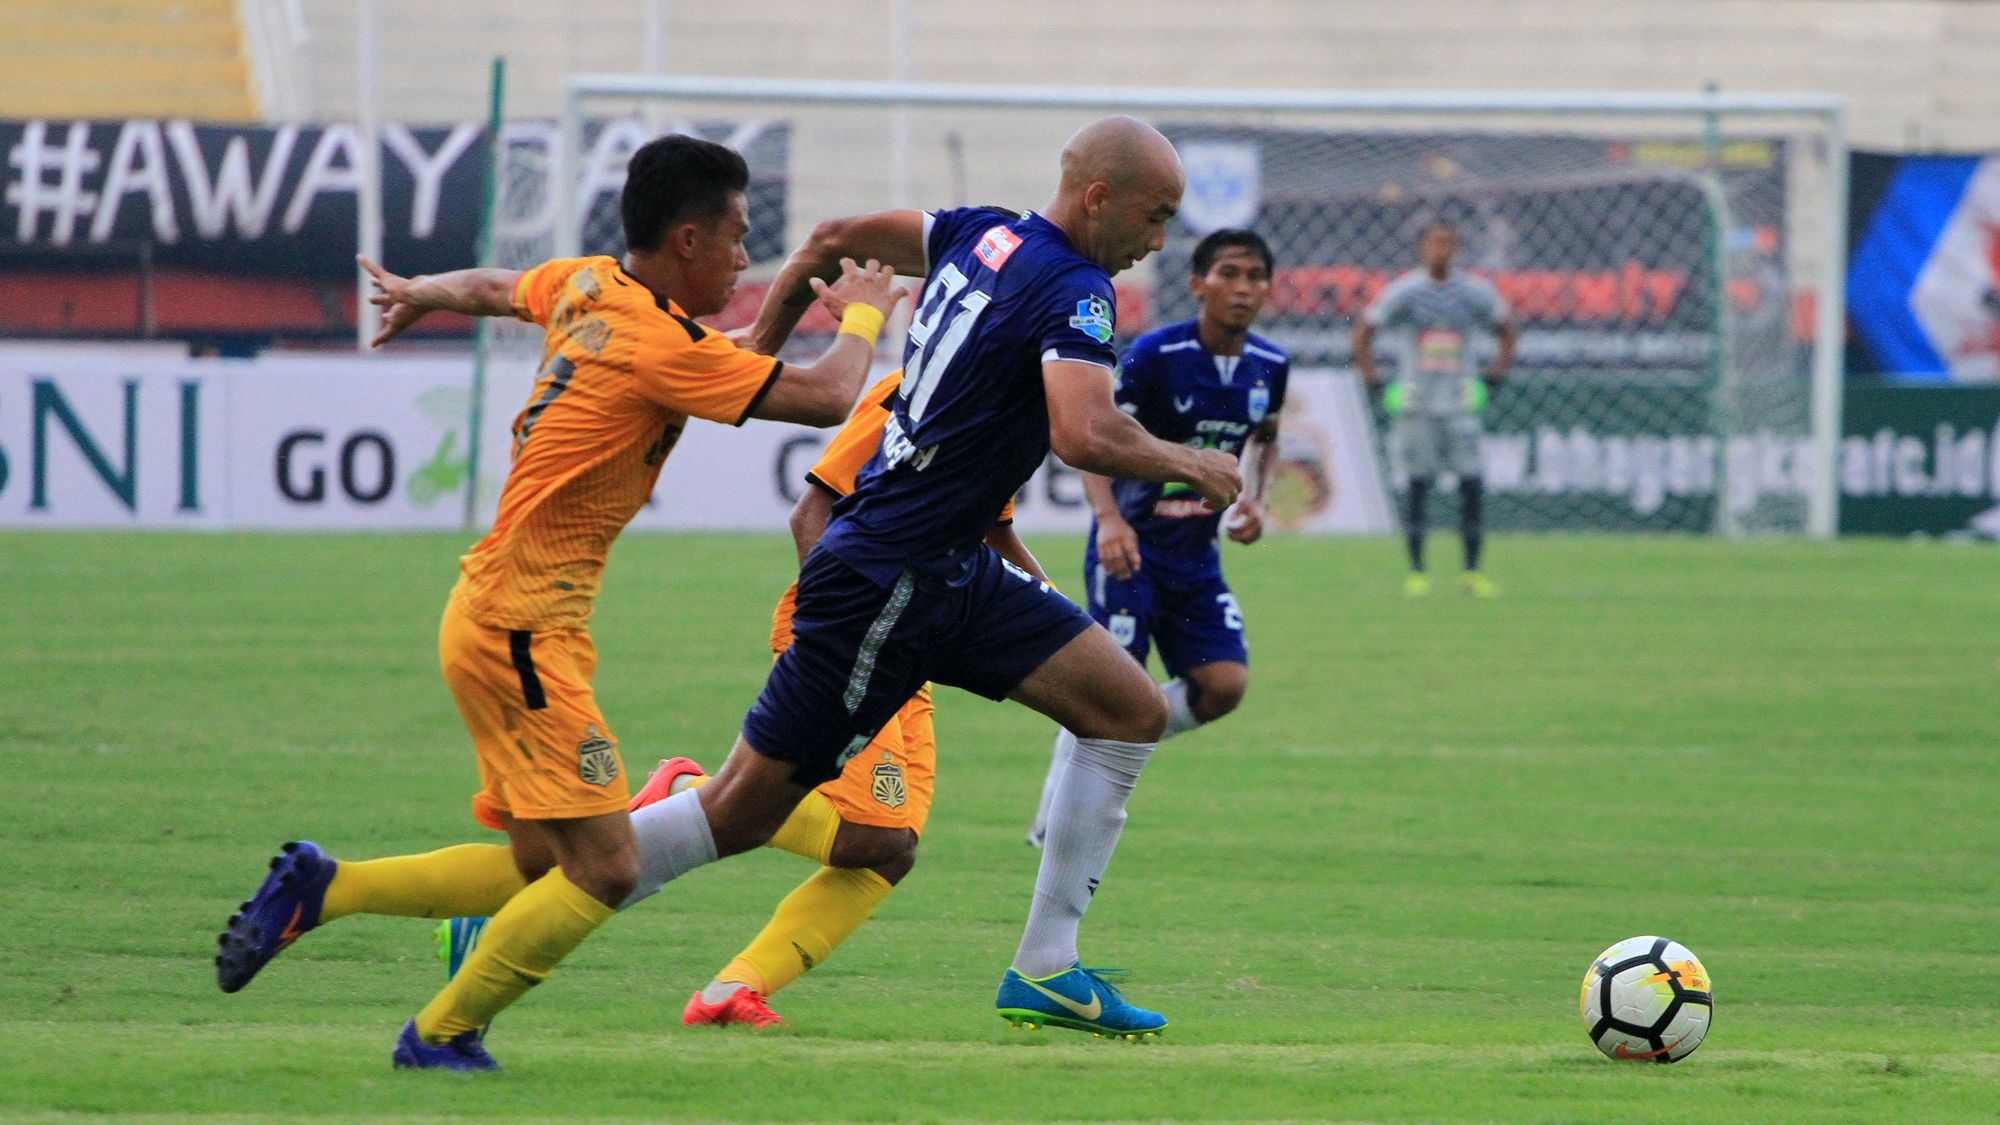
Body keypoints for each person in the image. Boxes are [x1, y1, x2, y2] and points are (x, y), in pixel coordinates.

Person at [210, 133, 906, 1072]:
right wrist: (862, 318)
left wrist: (419, 291)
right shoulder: (657, 344)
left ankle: (325, 888)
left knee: (543, 866)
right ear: (690, 239)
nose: (749, 257)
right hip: (524, 630)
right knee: (608, 866)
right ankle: (442, 1035)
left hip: (494, 612)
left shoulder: (589, 286)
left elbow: (501, 287)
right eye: (741, 238)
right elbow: (826, 398)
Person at [605, 115, 1241, 1041]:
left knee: (1129, 708)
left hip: (951, 567)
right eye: (1157, 215)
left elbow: (828, 240)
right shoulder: (1080, 289)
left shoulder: (972, 231)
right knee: (745, 812)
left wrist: (750, 347)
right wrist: (1196, 463)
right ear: (1099, 197)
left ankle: (1047, 968)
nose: (1159, 240)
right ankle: (544, 885)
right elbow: (1084, 432)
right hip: (892, 574)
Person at [438, 370, 1053, 1030]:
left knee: (888, 851)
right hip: (854, 631)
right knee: (869, 832)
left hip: (915, 632)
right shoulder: (924, 383)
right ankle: (597, 850)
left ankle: (734, 987)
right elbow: (809, 513)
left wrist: (1058, 623)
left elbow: (992, 532)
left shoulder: (1004, 392)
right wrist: (843, 631)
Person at [1028, 228, 1288, 847]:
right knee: (1109, 688)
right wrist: (1109, 520)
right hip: (1131, 551)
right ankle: (1057, 816)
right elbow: (1090, 433)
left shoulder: (1271, 366)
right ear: (1198, 284)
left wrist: (1256, 498)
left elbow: (1267, 437)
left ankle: (1121, 738)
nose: (1243, 288)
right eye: (1229, 273)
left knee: (1224, 686)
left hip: (1196, 557)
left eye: (1254, 276)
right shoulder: (1155, 356)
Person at [1352, 220, 1518, 597]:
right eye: (1434, 243)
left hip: (1460, 404)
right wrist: (1377, 385)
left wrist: (1492, 380)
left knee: (1471, 485)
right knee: (1418, 486)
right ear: (1422, 248)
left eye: (1448, 243)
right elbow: (1363, 333)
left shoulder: (1473, 293)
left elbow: (1507, 329)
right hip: (1418, 406)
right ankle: (1417, 572)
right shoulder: (1405, 292)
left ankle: (1472, 573)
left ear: (1457, 248)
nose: (1441, 250)